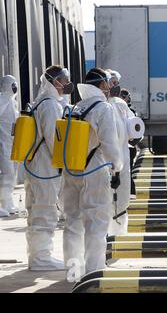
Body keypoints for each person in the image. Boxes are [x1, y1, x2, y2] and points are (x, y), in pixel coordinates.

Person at [63, 68, 123, 278]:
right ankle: (94, 271)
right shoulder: (103, 108)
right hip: (94, 170)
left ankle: (72, 271)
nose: (109, 87)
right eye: (107, 83)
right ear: (102, 85)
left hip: (71, 170)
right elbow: (109, 142)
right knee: (96, 222)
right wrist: (117, 167)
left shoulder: (76, 106)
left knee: (72, 221)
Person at [25, 65, 74, 271]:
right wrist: (65, 162)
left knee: (35, 210)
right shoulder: (50, 105)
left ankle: (36, 255)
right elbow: (55, 140)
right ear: (56, 82)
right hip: (44, 165)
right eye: (65, 79)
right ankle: (41, 259)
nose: (67, 83)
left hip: (33, 164)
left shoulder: (40, 102)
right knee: (45, 210)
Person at [107, 70, 136, 236]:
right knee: (105, 198)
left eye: (116, 83)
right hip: (103, 160)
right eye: (112, 83)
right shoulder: (98, 105)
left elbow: (133, 126)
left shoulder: (121, 104)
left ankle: (119, 232)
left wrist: (135, 134)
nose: (115, 86)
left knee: (123, 196)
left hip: (123, 157)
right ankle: (106, 235)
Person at [0, 75, 19, 217]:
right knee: (6, 174)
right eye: (12, 84)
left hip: (12, 142)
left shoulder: (12, 102)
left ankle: (7, 201)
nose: (15, 87)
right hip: (3, 143)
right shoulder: (1, 100)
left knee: (12, 173)